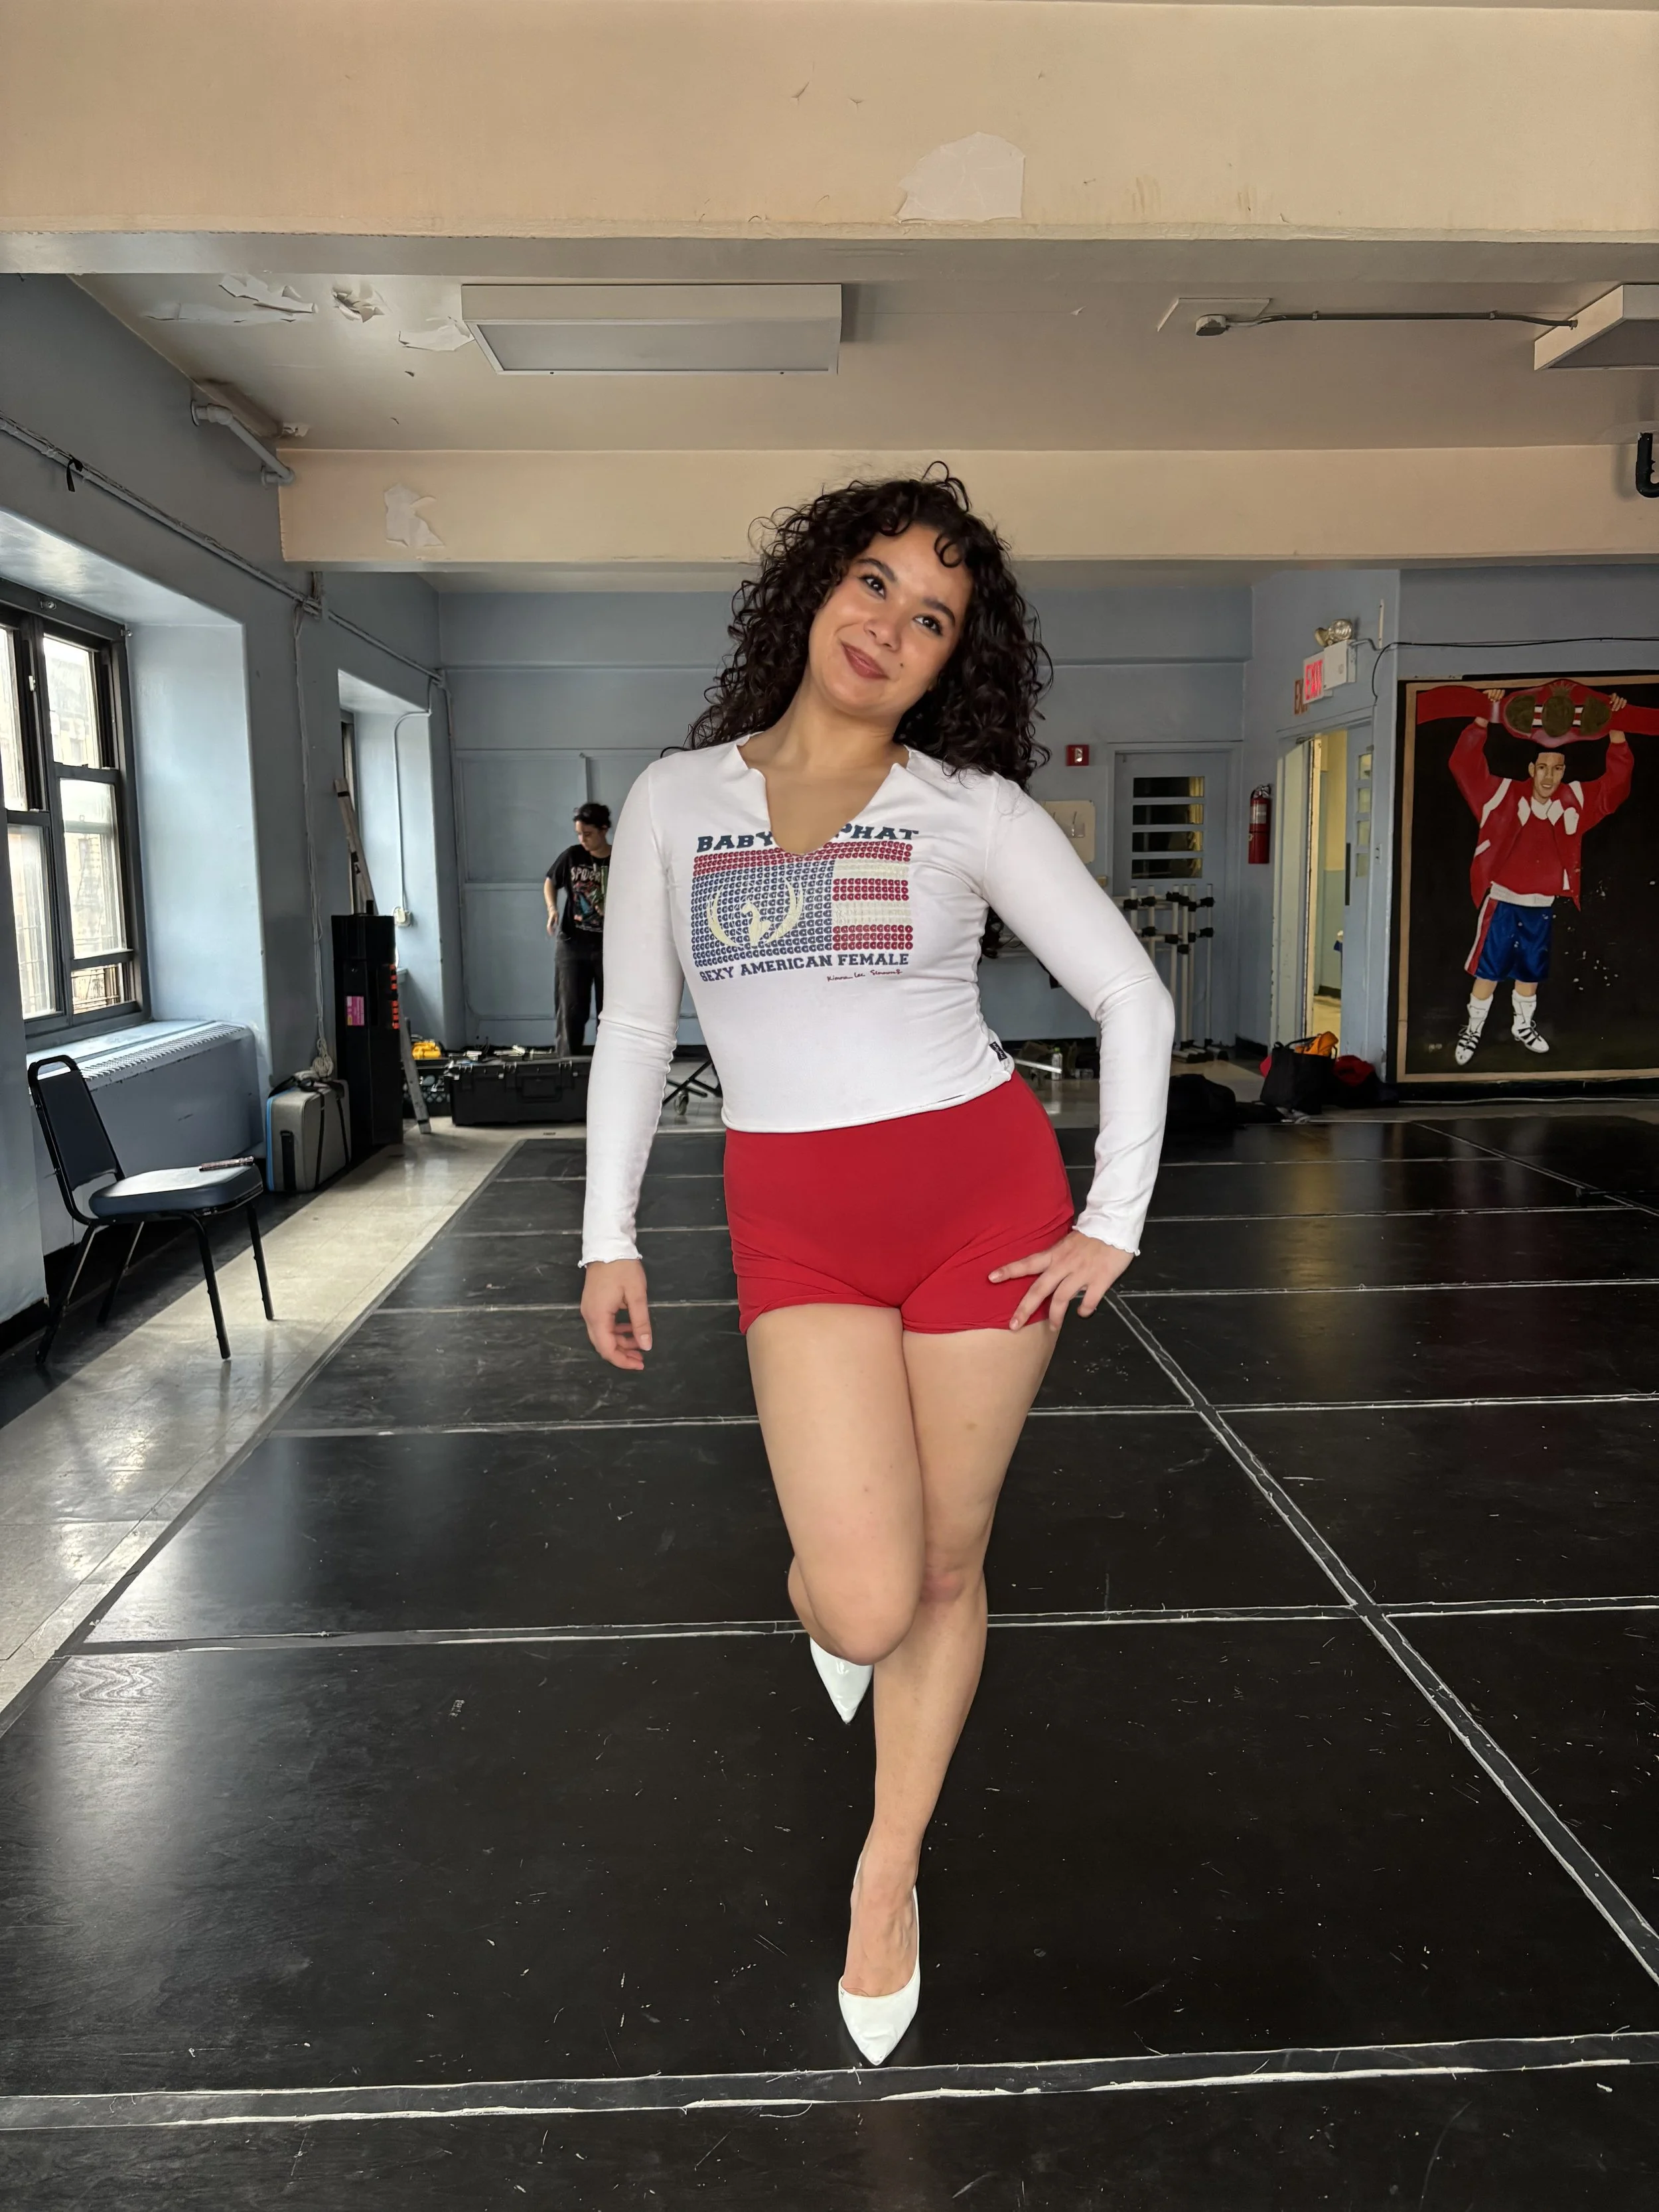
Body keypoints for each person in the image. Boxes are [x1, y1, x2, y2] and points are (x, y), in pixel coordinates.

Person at [577, 470, 1173, 2067]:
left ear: (948, 662)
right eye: (872, 583)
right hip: (797, 1213)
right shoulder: (672, 801)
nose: (889, 626)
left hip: (980, 1198)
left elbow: (1132, 1000)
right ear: (810, 593)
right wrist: (607, 1231)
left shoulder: (967, 808)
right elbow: (638, 1025)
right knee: (858, 1588)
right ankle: (834, 1615)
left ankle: (887, 1870)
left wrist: (1112, 1213)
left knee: (941, 1570)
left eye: (932, 617)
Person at [1451, 685, 1634, 1065]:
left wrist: (1617, 731)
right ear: (1532, 769)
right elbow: (1465, 765)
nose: (1550, 776)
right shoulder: (1501, 795)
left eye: (1558, 768)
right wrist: (1484, 715)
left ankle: (1522, 1025)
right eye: (1544, 768)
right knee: (1489, 969)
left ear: (1565, 771)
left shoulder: (1575, 800)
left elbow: (1613, 791)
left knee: (1530, 971)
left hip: (1542, 905)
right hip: (1503, 901)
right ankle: (1473, 1030)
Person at [545, 802, 612, 1056]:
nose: (582, 839)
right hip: (573, 945)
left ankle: (610, 1068)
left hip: (609, 948)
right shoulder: (572, 856)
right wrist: (553, 909)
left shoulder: (620, 858)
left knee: (611, 1013)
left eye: (588, 834)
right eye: (579, 834)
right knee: (571, 1010)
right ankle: (566, 1068)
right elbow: (551, 882)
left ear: (603, 830)